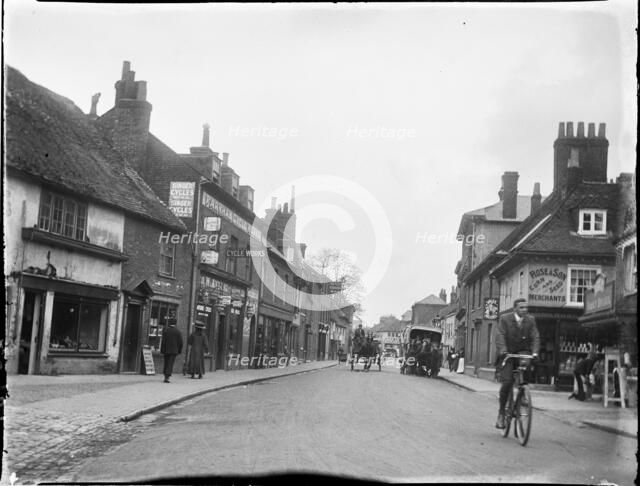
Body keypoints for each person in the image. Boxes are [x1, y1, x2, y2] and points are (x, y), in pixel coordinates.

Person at [494, 298, 540, 429]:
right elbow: (500, 335)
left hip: (522, 352)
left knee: (527, 369)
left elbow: (535, 337)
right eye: (521, 307)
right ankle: (502, 412)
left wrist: (535, 352)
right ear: (515, 308)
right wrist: (503, 350)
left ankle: (523, 393)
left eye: (526, 307)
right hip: (508, 353)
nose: (524, 310)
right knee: (507, 382)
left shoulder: (530, 320)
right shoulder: (505, 319)